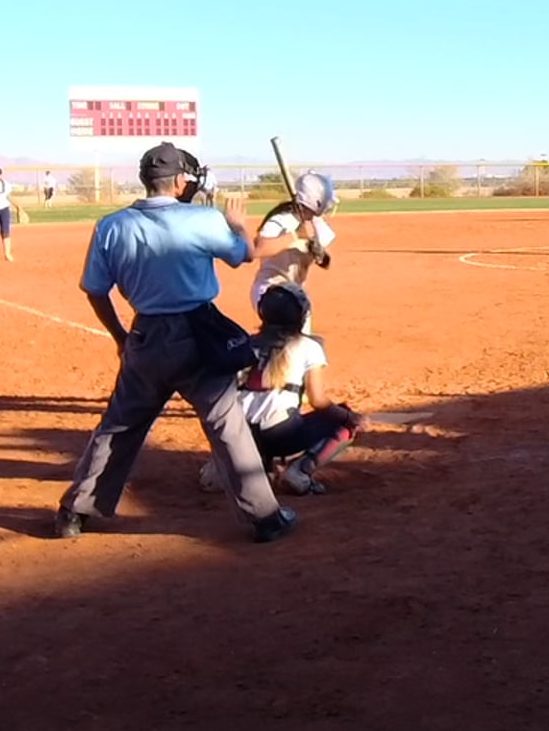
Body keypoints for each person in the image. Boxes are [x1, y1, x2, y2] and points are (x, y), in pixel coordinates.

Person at [55, 142, 296, 543]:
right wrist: (238, 224)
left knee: (120, 425)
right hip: (199, 334)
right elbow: (244, 255)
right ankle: (265, 517)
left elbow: (95, 290)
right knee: (226, 424)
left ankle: (75, 513)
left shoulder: (112, 226)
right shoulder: (202, 218)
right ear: (181, 181)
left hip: (146, 335)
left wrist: (121, 337)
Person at [199, 282, 363, 497]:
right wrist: (351, 417)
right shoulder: (308, 346)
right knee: (344, 421)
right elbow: (318, 401)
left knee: (242, 421)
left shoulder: (245, 343)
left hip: (239, 433)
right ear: (301, 315)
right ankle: (300, 471)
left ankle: (230, 466)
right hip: (281, 434)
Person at [250, 171, 338, 315]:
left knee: (300, 323)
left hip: (295, 294)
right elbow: (259, 250)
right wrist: (296, 235)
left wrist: (319, 252)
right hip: (269, 292)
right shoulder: (281, 220)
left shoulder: (316, 223)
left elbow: (327, 263)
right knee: (288, 325)